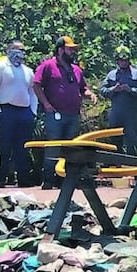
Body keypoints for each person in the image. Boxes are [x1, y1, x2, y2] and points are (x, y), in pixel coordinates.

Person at [33, 36, 96, 187]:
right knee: (53, 146)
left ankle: (66, 181)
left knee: (71, 148)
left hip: (73, 115)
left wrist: (90, 94)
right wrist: (46, 104)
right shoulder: (48, 66)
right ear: (60, 50)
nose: (73, 52)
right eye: (70, 49)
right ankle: (48, 180)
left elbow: (83, 88)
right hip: (54, 114)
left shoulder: (76, 69)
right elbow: (36, 84)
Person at [0, 39, 38, 186]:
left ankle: (22, 177)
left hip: (24, 112)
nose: (20, 53)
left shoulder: (27, 71)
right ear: (8, 50)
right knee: (4, 145)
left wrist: (32, 111)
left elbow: (32, 92)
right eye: (17, 49)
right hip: (6, 110)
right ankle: (0, 176)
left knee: (22, 146)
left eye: (22, 50)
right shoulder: (0, 67)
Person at [99, 45, 137, 155]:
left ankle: (132, 166)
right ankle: (115, 165)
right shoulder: (111, 75)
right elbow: (102, 90)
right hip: (116, 113)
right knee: (114, 140)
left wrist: (130, 90)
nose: (123, 63)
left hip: (132, 113)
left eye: (125, 60)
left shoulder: (136, 74)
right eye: (121, 60)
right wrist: (113, 90)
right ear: (117, 61)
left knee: (132, 140)